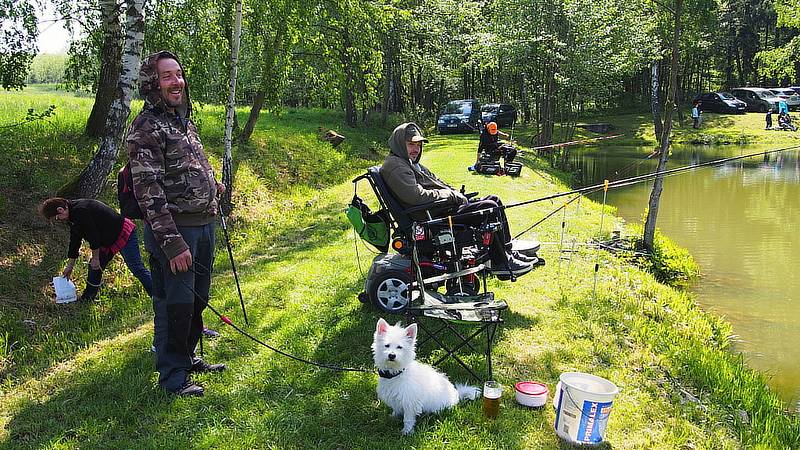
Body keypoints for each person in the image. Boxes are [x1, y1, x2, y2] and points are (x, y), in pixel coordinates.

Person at [127, 50, 226, 397]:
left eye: (179, 74)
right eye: (167, 76)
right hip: (175, 232)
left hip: (203, 225)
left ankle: (187, 357)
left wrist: (211, 186)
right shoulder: (146, 127)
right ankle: (172, 377)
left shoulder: (183, 120)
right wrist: (171, 243)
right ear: (153, 83)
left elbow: (185, 169)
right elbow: (148, 191)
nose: (177, 81)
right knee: (177, 305)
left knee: (198, 300)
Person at [380, 122, 534, 277]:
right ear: (400, 144)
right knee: (490, 207)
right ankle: (500, 263)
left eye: (418, 145)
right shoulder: (396, 166)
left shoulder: (407, 162)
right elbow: (416, 196)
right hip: (432, 216)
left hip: (439, 208)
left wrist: (455, 193)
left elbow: (436, 181)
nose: (416, 149)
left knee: (495, 200)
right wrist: (451, 196)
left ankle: (506, 251)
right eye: (411, 144)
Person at [39, 197, 153, 302]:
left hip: (122, 232)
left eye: (57, 218)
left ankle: (158, 295)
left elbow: (93, 236)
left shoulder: (81, 211)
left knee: (136, 268)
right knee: (94, 268)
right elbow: (75, 239)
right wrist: (70, 266)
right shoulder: (72, 214)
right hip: (107, 238)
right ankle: (88, 299)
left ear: (60, 209)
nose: (59, 220)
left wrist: (96, 258)